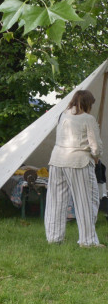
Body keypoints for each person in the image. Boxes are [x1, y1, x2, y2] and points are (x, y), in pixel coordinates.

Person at [45, 89, 102, 247]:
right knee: (87, 201)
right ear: (87, 103)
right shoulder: (88, 119)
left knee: (56, 201)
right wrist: (97, 156)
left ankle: (54, 238)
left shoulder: (63, 115)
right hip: (78, 162)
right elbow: (95, 146)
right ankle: (88, 241)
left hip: (57, 160)